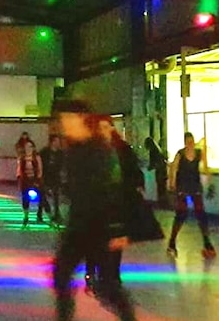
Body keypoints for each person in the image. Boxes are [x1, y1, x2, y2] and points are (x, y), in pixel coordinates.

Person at [51, 100, 137, 321]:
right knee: (60, 275)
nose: (64, 123)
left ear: (81, 118)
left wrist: (118, 229)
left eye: (68, 118)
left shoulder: (100, 150)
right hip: (78, 226)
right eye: (62, 119)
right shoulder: (72, 150)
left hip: (101, 226)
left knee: (108, 285)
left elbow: (113, 190)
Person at [85, 117, 146, 295]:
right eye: (101, 127)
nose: (104, 130)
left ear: (112, 128)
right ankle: (92, 271)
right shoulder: (91, 151)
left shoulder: (123, 149)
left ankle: (113, 274)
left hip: (118, 202)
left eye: (107, 126)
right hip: (97, 201)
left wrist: (138, 185)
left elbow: (134, 169)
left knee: (117, 240)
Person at [166, 132, 215, 258]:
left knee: (201, 214)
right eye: (188, 142)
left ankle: (207, 242)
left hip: (195, 185)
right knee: (181, 214)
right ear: (185, 143)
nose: (190, 144)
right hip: (182, 185)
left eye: (192, 141)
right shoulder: (180, 154)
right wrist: (172, 184)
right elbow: (173, 168)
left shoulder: (199, 153)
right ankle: (172, 242)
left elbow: (205, 167)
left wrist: (210, 183)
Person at [17, 138, 48, 226]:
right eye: (27, 147)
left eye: (30, 147)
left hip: (35, 179)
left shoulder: (37, 157)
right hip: (25, 180)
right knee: (25, 199)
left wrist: (38, 179)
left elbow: (40, 169)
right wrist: (19, 178)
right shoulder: (22, 158)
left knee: (42, 197)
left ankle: (40, 214)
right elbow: (19, 169)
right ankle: (26, 216)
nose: (28, 148)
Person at [40, 135, 65, 222]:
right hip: (46, 176)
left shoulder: (60, 153)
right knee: (43, 195)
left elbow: (62, 165)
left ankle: (56, 214)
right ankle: (42, 213)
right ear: (52, 142)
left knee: (56, 196)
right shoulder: (44, 152)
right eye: (56, 141)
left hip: (55, 177)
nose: (58, 143)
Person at [144, 137, 169, 207]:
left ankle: (162, 204)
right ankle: (164, 204)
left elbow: (153, 163)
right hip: (163, 172)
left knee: (160, 188)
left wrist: (148, 168)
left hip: (160, 173)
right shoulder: (157, 150)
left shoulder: (153, 151)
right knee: (162, 188)